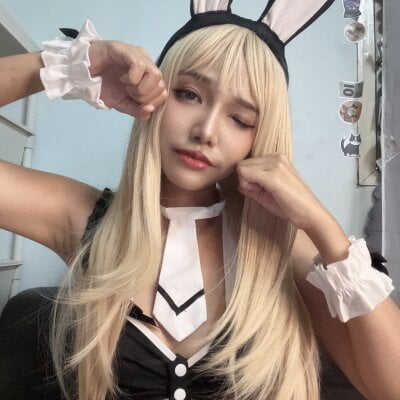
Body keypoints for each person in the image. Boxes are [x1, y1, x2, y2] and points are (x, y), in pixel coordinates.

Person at [0, 2, 399, 400]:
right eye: (188, 94)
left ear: (260, 137)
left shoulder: (280, 249)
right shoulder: (86, 218)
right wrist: (69, 67)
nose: (206, 131)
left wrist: (322, 226)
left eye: (240, 119)